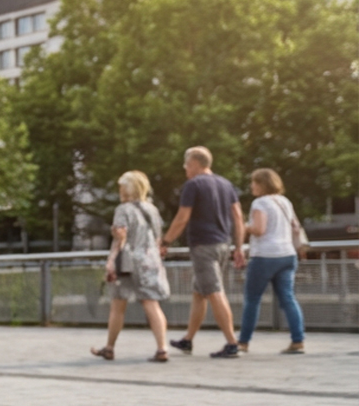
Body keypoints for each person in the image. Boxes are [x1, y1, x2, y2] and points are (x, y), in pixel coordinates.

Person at [161, 146, 245, 358]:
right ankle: (188, 340)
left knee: (215, 292)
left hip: (203, 246)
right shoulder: (226, 184)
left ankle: (232, 343)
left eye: (186, 165)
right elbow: (237, 217)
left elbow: (182, 218)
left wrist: (165, 241)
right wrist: (238, 246)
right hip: (223, 245)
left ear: (195, 164)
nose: (185, 169)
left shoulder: (193, 185)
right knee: (200, 293)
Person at [91, 171, 171, 362]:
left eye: (121, 186)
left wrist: (111, 261)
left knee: (118, 304)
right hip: (150, 261)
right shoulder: (152, 209)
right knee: (151, 303)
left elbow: (121, 236)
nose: (119, 190)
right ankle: (162, 348)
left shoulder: (123, 209)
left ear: (128, 189)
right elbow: (158, 238)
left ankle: (109, 348)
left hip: (128, 262)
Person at [239, 168, 306, 354]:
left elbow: (259, 229)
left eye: (254, 182)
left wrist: (243, 226)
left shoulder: (260, 203)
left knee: (252, 299)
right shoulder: (285, 202)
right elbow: (295, 226)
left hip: (265, 256)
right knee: (288, 298)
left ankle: (243, 342)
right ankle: (298, 340)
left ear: (261, 184)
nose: (252, 186)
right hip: (287, 254)